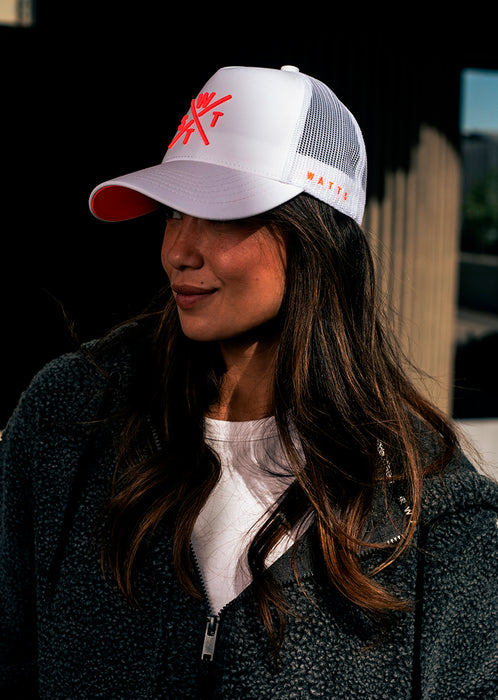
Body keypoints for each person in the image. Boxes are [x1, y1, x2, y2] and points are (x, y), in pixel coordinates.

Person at [1, 65, 497, 699]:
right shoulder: (67, 419)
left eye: (220, 213)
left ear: (315, 236)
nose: (178, 250)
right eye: (173, 211)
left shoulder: (437, 517)